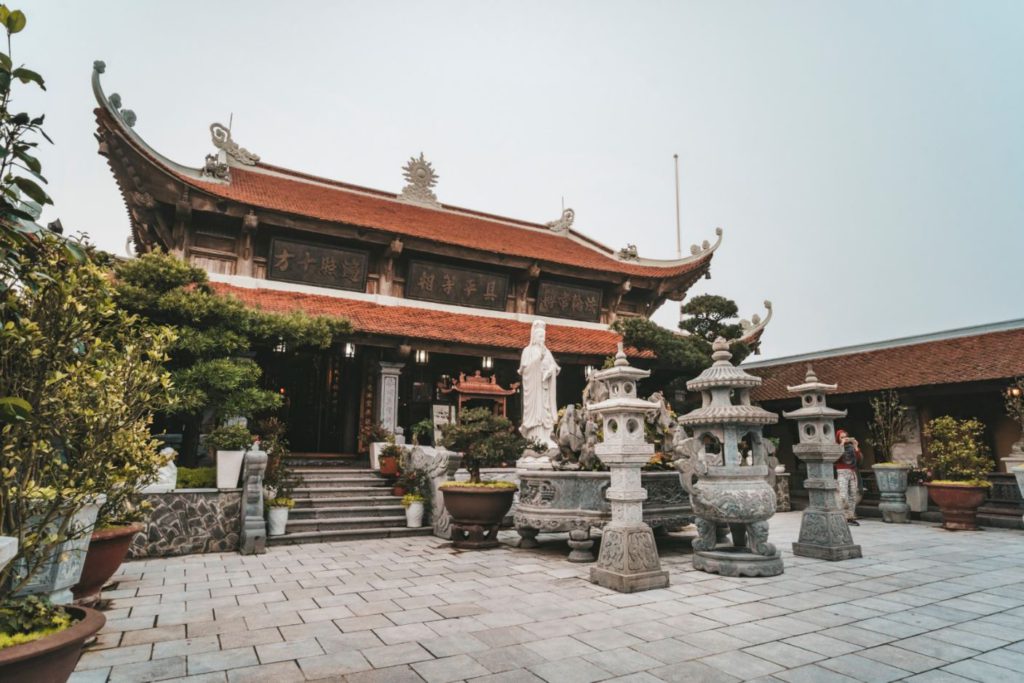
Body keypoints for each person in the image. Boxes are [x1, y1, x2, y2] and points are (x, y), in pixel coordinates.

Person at [835, 429, 862, 525]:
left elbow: (859, 460)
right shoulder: (836, 447)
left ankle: (850, 517)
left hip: (852, 472)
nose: (844, 439)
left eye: (845, 437)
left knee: (853, 496)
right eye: (841, 437)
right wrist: (841, 445)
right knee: (843, 496)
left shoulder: (851, 447)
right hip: (842, 472)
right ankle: (842, 516)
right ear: (838, 438)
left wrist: (856, 446)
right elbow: (835, 459)